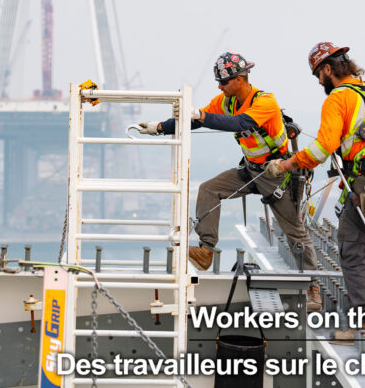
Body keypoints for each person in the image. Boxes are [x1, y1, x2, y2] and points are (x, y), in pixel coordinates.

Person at [136, 51, 323, 311]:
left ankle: (313, 286)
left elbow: (239, 123)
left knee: (295, 232)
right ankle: (206, 251)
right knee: (209, 189)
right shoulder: (226, 101)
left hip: (277, 173)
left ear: (241, 78)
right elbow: (196, 121)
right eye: (219, 82)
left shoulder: (265, 101)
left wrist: (200, 115)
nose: (220, 87)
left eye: (224, 82)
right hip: (250, 171)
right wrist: (159, 127)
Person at [268, 42, 365, 341]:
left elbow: (322, 148)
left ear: (328, 69)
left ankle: (363, 322)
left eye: (319, 74)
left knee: (350, 249)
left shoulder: (337, 99)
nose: (319, 81)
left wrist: (287, 164)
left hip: (362, 182)